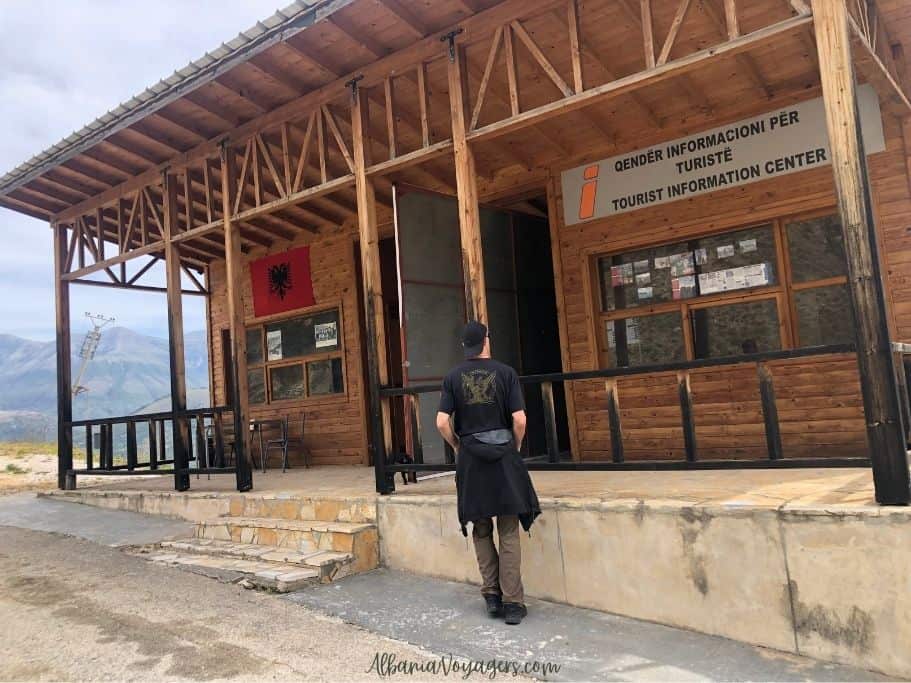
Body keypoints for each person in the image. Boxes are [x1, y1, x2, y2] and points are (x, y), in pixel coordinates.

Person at [436, 320, 540, 625]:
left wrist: (458, 445)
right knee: (508, 530)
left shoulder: (453, 377)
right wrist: (515, 446)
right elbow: (519, 420)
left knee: (481, 528)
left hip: (471, 460)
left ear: (465, 347)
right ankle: (513, 604)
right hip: (504, 458)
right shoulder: (506, 373)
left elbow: (442, 422)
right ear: (486, 341)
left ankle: (492, 596)